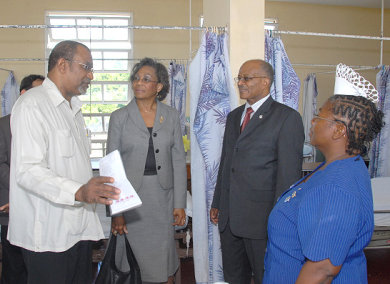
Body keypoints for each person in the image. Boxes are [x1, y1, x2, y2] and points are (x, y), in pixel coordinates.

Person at [7, 40, 120, 284]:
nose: (91, 75)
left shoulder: (73, 109)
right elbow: (28, 171)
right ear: (62, 64)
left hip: (76, 231)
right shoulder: (32, 105)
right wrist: (79, 191)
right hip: (47, 234)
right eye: (86, 67)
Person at [262, 64, 384, 283]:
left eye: (319, 116)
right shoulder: (338, 166)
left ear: (338, 130)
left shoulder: (337, 186)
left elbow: (322, 270)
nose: (312, 120)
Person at [210, 59, 304, 284]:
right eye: (239, 78)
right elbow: (226, 164)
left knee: (266, 277)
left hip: (261, 220)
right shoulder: (234, 117)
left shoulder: (286, 118)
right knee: (234, 277)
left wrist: (279, 220)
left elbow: (288, 176)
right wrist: (218, 202)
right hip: (230, 218)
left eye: (246, 78)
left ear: (265, 82)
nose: (240, 83)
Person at [107, 57, 187, 284]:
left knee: (163, 259)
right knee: (131, 263)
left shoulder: (170, 116)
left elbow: (178, 161)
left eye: (146, 79)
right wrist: (117, 211)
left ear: (159, 87)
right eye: (136, 78)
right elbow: (112, 167)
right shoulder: (119, 117)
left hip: (162, 198)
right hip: (130, 200)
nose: (138, 83)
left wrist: (179, 204)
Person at [0, 74, 44, 284]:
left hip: (41, 208)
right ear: (24, 94)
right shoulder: (3, 125)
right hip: (11, 205)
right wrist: (22, 187)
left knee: (37, 265)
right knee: (14, 266)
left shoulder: (44, 125)